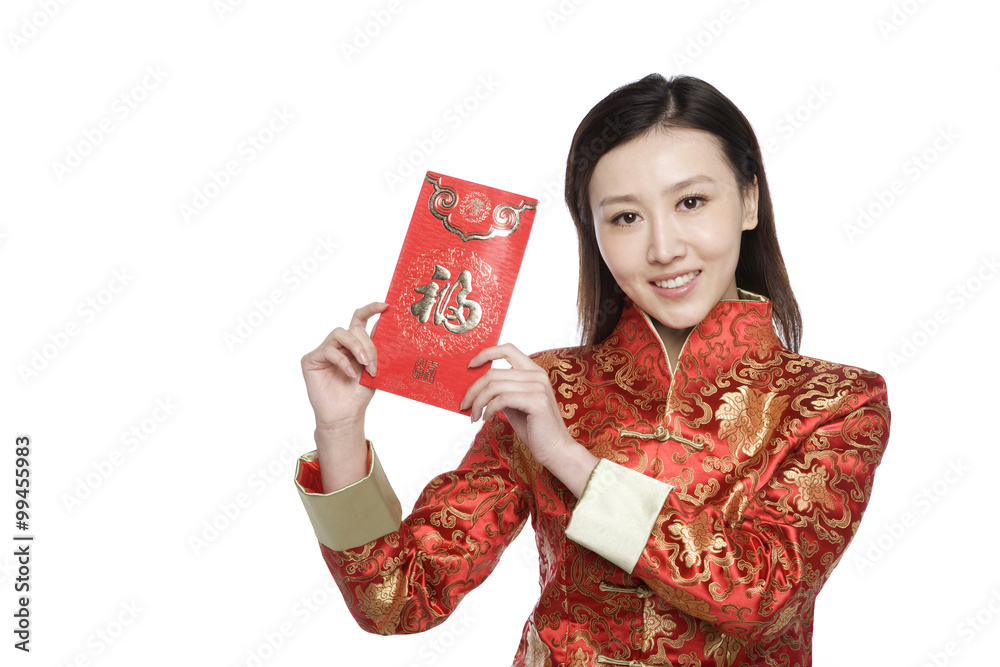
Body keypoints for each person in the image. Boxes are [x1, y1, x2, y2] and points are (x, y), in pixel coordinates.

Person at [293, 73, 891, 666]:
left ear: (749, 202)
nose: (663, 248)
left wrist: (570, 459)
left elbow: (759, 592)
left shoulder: (834, 402)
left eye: (691, 202)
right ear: (594, 235)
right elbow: (397, 601)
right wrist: (340, 432)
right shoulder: (545, 390)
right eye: (625, 218)